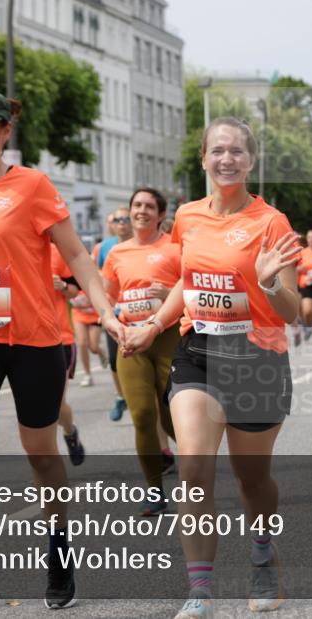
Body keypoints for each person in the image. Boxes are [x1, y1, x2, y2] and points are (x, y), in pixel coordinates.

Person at [0, 90, 124, 614]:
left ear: (4, 132)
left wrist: (103, 309)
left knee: (41, 454)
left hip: (35, 337)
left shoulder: (33, 185)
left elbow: (77, 255)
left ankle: (59, 557)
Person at [122, 117, 301, 618]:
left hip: (257, 358)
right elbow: (187, 280)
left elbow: (293, 311)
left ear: (251, 161)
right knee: (195, 467)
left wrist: (268, 285)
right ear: (203, 158)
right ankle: (200, 592)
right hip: (197, 350)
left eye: (238, 151)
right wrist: (155, 323)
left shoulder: (272, 223)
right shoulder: (187, 216)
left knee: (251, 479)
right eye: (218, 150)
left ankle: (263, 549)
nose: (227, 159)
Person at [102, 187, 181, 516]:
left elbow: (190, 290)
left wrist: (167, 294)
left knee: (172, 416)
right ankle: (154, 492)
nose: (141, 211)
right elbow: (107, 296)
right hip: (131, 341)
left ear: (161, 215)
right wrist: (111, 321)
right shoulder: (117, 253)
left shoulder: (176, 249)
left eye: (150, 207)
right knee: (143, 417)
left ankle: (200, 477)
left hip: (168, 337)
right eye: (137, 205)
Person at [94, 207, 133, 421]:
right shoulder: (104, 247)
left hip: (139, 313)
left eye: (126, 219)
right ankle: (121, 397)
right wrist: (103, 308)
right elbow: (98, 274)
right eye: (117, 219)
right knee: (114, 360)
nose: (122, 223)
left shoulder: (142, 242)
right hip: (114, 311)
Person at [49, 238, 86, 466]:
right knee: (37, 405)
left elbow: (74, 291)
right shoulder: (11, 249)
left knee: (53, 403)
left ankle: (70, 432)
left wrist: (62, 286)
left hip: (59, 337)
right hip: (25, 339)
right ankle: (47, 464)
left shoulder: (57, 251)